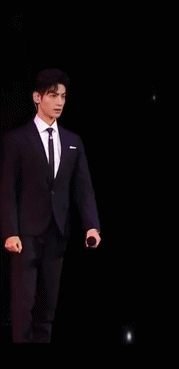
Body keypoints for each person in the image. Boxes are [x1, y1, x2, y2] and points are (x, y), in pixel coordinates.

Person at [0, 68, 101, 343]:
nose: (59, 102)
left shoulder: (72, 142)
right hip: (26, 236)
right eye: (53, 95)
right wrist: (10, 231)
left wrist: (92, 226)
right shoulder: (16, 140)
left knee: (47, 311)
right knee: (23, 308)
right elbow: (7, 190)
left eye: (63, 96)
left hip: (57, 233)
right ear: (37, 97)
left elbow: (84, 188)